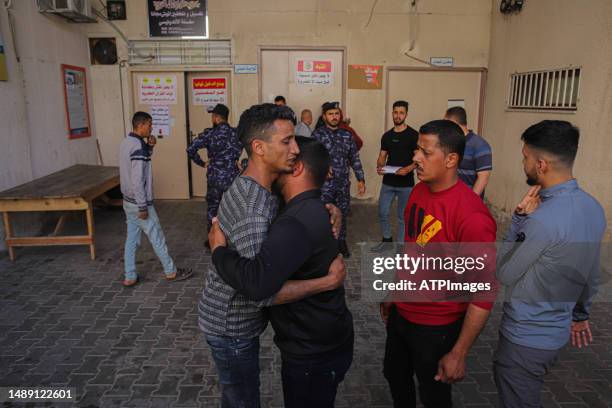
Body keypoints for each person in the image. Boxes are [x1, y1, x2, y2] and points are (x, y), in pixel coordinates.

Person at [198, 103, 345, 408]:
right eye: (287, 141)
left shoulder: (265, 189)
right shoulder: (252, 208)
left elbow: (296, 204)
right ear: (259, 148)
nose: (295, 149)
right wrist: (327, 282)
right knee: (243, 400)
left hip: (239, 323)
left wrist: (330, 209)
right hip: (232, 328)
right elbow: (261, 293)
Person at [380, 119, 496, 408]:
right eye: (417, 150)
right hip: (401, 316)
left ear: (451, 159)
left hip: (436, 327)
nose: (416, 158)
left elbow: (483, 294)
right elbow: (412, 250)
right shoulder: (420, 191)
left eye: (426, 152)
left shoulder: (472, 216)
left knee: (433, 395)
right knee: (394, 376)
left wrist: (459, 352)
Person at [494, 120, 606, 408]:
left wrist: (519, 218)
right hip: (555, 336)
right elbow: (590, 273)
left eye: (525, 158)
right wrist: (580, 316)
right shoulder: (593, 208)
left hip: (525, 339)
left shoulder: (541, 220)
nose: (524, 163)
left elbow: (504, 272)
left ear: (541, 164)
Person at [119, 111, 193, 287]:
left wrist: (149, 148)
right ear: (142, 125)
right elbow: (138, 179)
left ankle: (130, 275)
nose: (151, 128)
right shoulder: (137, 147)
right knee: (156, 236)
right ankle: (171, 271)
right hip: (139, 203)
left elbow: (137, 166)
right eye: (150, 125)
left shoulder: (126, 143)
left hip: (127, 201)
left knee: (132, 239)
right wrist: (142, 207)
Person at [312, 101, 366, 258]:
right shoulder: (317, 135)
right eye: (330, 114)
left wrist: (360, 179)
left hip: (343, 184)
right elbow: (311, 157)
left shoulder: (347, 135)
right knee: (323, 214)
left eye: (336, 113)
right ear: (324, 116)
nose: (334, 117)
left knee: (342, 213)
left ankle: (341, 242)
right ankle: (324, 245)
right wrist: (322, 165)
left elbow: (354, 158)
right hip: (324, 185)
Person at [186, 104, 242, 240]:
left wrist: (202, 163)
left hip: (215, 178)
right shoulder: (237, 133)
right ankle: (234, 239)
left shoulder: (210, 134)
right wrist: (239, 161)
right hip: (232, 178)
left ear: (216, 118)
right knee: (233, 208)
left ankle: (214, 240)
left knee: (213, 208)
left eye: (213, 116)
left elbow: (190, 149)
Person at [372, 100, 418, 251]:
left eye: (401, 113)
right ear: (392, 113)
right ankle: (387, 240)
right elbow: (382, 156)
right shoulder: (387, 136)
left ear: (406, 114)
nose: (398, 116)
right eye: (395, 112)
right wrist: (380, 165)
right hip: (389, 181)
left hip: (406, 184)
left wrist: (408, 169)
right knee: (382, 212)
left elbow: (418, 159)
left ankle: (401, 246)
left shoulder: (413, 135)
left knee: (402, 217)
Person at [444, 107, 492, 197]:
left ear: (453, 123)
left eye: (446, 123)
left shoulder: (479, 145)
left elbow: (483, 178)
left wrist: (470, 200)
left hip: (467, 200)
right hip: (451, 198)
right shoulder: (451, 142)